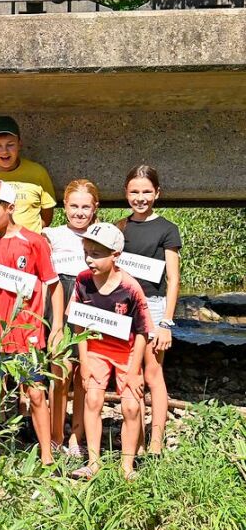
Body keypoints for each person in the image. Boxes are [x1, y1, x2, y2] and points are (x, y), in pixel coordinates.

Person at [0, 180, 63, 465]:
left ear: (10, 208)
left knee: (35, 392)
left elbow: (53, 285)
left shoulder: (33, 242)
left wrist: (55, 326)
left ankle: (46, 457)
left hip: (26, 334)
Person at [68, 222, 150, 480]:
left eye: (97, 254)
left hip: (126, 352)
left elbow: (142, 332)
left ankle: (127, 466)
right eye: (87, 252)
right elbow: (78, 322)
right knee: (92, 400)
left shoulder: (130, 288)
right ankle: (93, 462)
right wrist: (83, 359)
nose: (90, 259)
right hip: (95, 348)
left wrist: (136, 371)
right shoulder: (82, 280)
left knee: (131, 408)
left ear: (115, 255)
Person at [118, 165, 181, 456]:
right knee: (131, 373)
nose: (140, 197)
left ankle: (156, 441)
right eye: (134, 192)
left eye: (146, 192)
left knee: (153, 372)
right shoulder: (120, 227)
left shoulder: (167, 229)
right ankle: (137, 439)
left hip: (154, 308)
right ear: (126, 194)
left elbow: (173, 279)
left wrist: (166, 322)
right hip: (124, 308)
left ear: (157, 193)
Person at [43, 178, 98, 454]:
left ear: (95, 208)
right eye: (74, 206)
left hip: (91, 303)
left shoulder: (101, 233)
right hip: (59, 303)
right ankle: (55, 436)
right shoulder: (51, 235)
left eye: (85, 207)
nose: (79, 212)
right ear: (64, 206)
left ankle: (77, 435)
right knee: (59, 372)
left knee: (84, 375)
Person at [0, 115, 57, 232]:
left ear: (19, 143)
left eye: (10, 144)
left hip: (30, 246)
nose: (4, 151)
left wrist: (31, 235)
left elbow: (47, 214)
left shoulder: (37, 172)